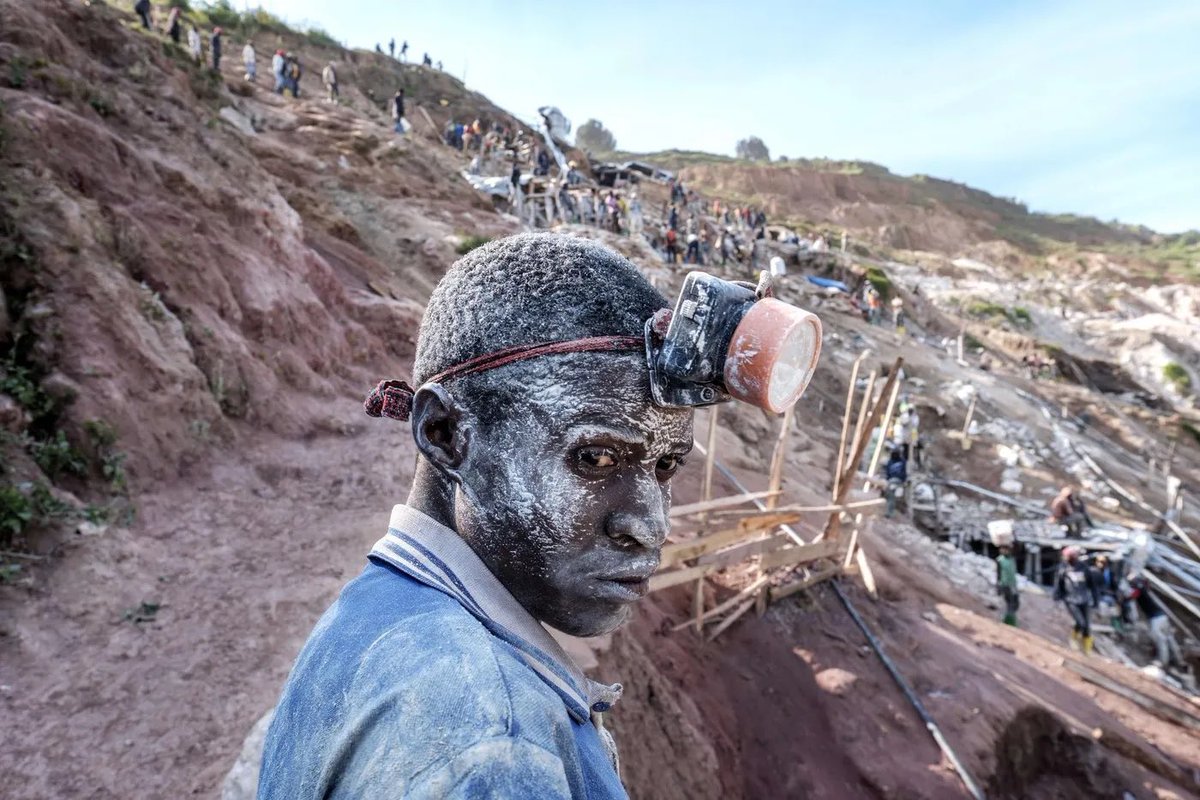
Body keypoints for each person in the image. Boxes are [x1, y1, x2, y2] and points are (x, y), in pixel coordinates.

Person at [259, 234, 694, 799]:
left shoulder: (379, 610)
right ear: (444, 434)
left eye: (666, 465)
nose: (652, 525)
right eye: (595, 458)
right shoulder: (495, 744)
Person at [1128, 575, 1184, 669]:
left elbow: (1130, 597)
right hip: (1162, 617)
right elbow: (1145, 583)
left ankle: (1163, 661)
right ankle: (1179, 660)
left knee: (1160, 639)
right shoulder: (1145, 589)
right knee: (1169, 638)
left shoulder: (1139, 590)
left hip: (1155, 619)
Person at [1054, 546, 1100, 654]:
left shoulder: (1084, 568)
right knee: (1080, 622)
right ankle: (1073, 638)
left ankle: (1087, 650)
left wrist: (1096, 601)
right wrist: (1057, 596)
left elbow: (1092, 586)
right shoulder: (1063, 568)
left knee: (1087, 626)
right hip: (1071, 600)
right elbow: (1059, 584)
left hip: (1084, 600)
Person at [996, 544, 1019, 626]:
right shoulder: (1000, 560)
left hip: (1012, 584)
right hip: (1004, 584)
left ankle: (1010, 619)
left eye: (1006, 549)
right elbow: (998, 573)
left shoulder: (1012, 558)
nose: (1004, 551)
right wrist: (998, 585)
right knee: (1008, 602)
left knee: (1015, 603)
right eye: (1002, 549)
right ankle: (1008, 620)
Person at [883, 448, 907, 518]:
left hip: (897, 481)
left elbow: (904, 472)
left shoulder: (901, 461)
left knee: (892, 497)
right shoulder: (891, 461)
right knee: (891, 497)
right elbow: (888, 472)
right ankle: (890, 512)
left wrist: (903, 481)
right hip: (893, 481)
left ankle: (890, 512)